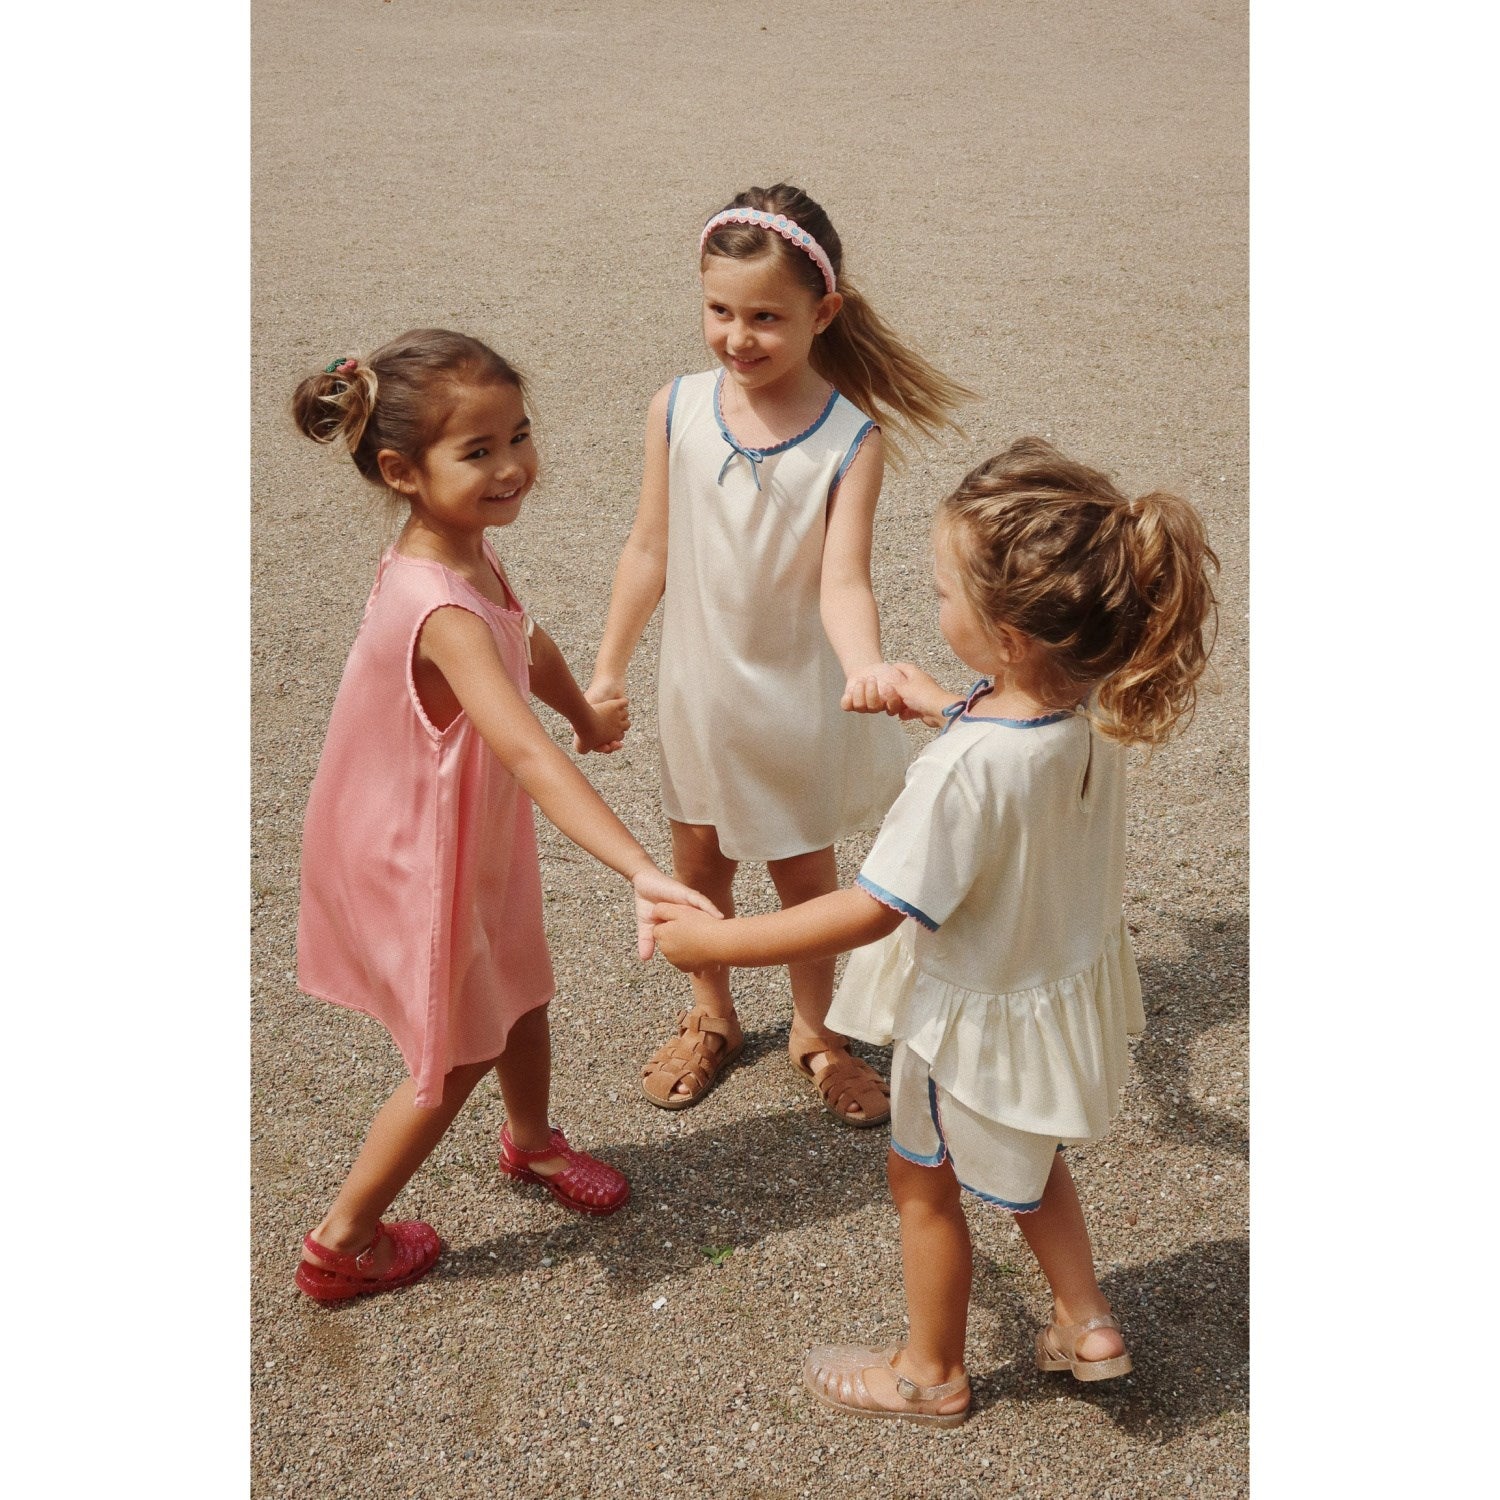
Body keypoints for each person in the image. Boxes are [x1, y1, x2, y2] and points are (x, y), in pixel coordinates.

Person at [652, 437, 1218, 1424]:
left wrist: (714, 945)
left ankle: (928, 1374)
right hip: (1046, 999)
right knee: (1033, 1157)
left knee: (923, 1185)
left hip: (967, 1025)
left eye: (945, 593)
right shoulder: (1090, 710)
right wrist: (946, 705)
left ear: (1009, 637)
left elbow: (874, 907)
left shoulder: (964, 774)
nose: (935, 606)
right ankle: (1087, 1323)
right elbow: (1014, 743)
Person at [288, 330, 718, 1302]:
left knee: (521, 986)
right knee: (458, 1050)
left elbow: (524, 639)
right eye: (477, 450)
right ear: (401, 471)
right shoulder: (435, 604)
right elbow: (524, 752)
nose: (513, 464)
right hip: (415, 854)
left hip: (468, 830)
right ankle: (341, 1243)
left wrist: (582, 711)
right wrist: (641, 868)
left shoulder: (465, 555)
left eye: (518, 435)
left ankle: (531, 1144)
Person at [584, 183, 972, 1124]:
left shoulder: (850, 438)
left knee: (804, 876)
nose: (738, 336)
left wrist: (864, 664)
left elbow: (844, 580)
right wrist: (608, 669)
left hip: (795, 694)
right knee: (698, 862)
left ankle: (817, 1030)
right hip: (697, 689)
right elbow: (648, 548)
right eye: (720, 310)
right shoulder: (676, 408)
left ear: (821, 314)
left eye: (765, 317)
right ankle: (710, 1013)